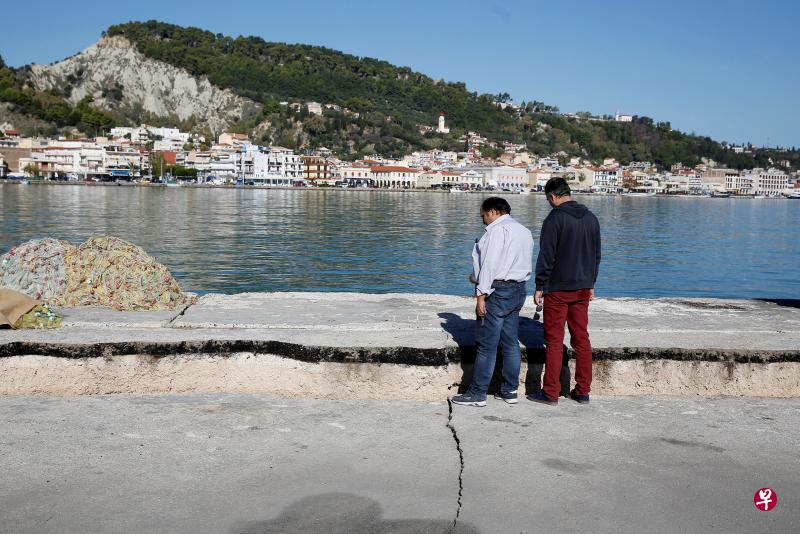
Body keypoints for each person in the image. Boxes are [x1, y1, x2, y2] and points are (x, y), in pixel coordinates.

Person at [452, 197, 534, 407]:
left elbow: (489, 264)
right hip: (518, 289)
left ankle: (477, 393)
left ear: (492, 212)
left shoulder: (496, 232)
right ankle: (510, 390)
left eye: (483, 216)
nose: (483, 220)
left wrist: (481, 296)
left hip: (497, 291)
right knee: (510, 343)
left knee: (486, 345)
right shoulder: (524, 231)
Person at [528, 177, 601, 406]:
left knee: (554, 340)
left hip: (558, 289)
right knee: (582, 339)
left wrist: (540, 285)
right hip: (583, 287)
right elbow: (596, 256)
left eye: (548, 199)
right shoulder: (591, 218)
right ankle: (583, 391)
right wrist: (591, 283)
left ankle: (550, 392)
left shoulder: (554, 219)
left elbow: (546, 255)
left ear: (552, 196)